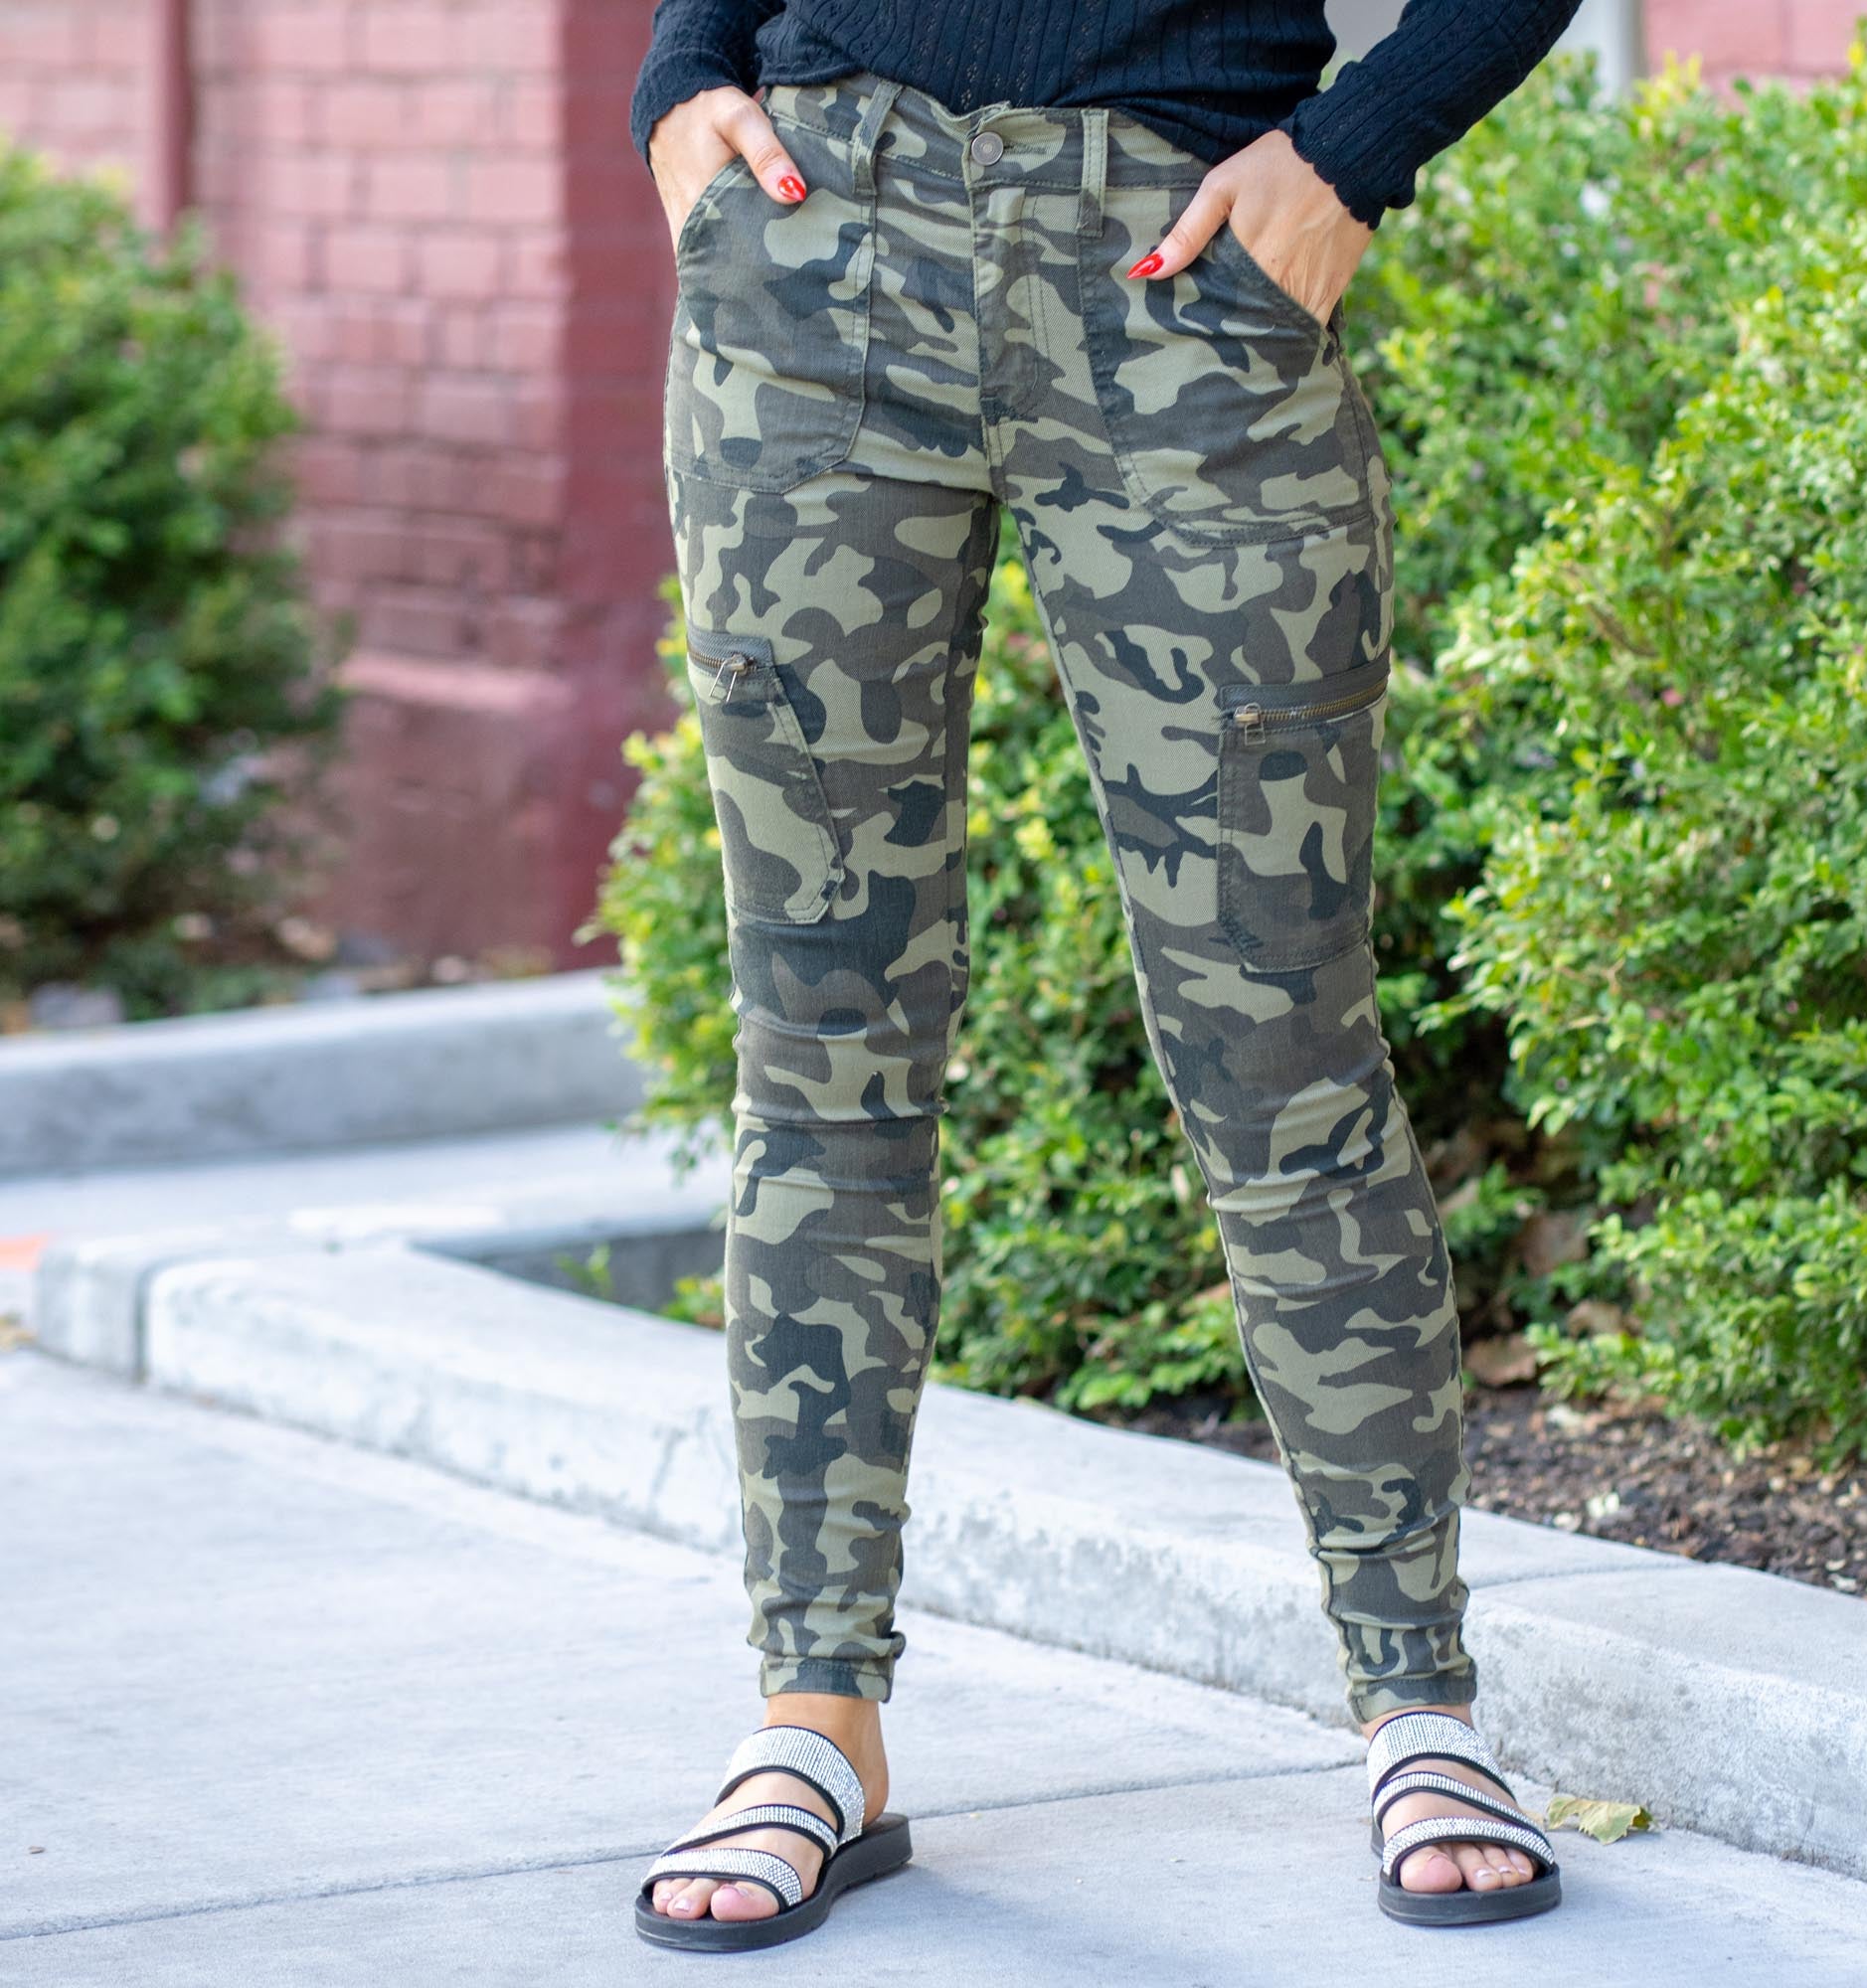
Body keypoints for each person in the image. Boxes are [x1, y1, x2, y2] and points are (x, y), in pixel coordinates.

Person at [627, 0, 1582, 1951]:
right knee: (822, 1043)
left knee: (1280, 1042)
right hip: (814, 265)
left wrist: (1358, 150)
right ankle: (814, 1716)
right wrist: (682, 70)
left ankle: (1419, 1704)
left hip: (1183, 281)